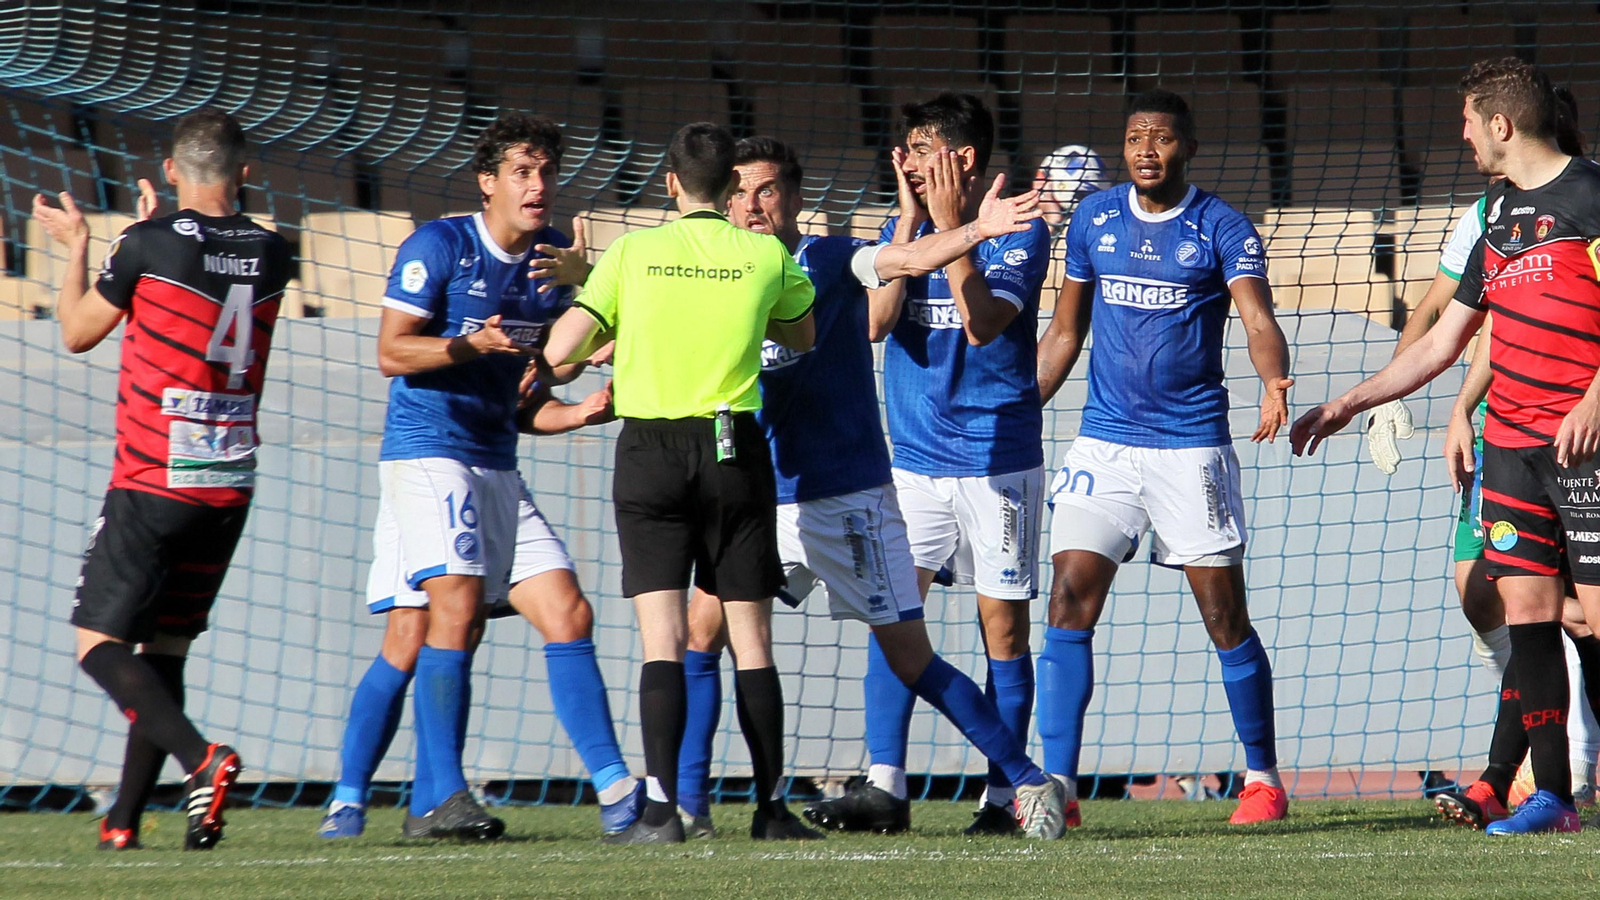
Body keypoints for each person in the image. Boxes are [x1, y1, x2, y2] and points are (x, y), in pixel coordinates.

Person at [676, 136, 1068, 840]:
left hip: (845, 496)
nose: (752, 205)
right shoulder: (716, 275)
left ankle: (1027, 782)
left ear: (796, 199)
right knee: (700, 633)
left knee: (909, 655)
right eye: (739, 192)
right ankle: (684, 806)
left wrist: (968, 225)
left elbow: (901, 274)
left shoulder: (826, 259)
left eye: (767, 190)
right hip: (758, 491)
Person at [1292, 58, 1600, 836]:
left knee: (1595, 620)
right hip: (1513, 447)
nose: (1461, 133)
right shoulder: (1494, 217)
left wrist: (1595, 400)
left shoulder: (1592, 195)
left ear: (1501, 124)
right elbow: (1442, 343)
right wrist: (1349, 401)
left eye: (1468, 119)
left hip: (1586, 447)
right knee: (1526, 610)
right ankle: (1553, 800)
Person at [319, 112, 642, 842]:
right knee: (446, 618)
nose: (538, 186)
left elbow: (529, 402)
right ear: (488, 181)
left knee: (564, 612)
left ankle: (618, 793)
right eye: (523, 173)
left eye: (547, 172)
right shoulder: (441, 246)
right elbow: (392, 355)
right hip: (427, 455)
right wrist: (470, 345)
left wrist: (582, 411)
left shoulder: (554, 260)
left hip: (496, 461)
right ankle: (430, 797)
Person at [540, 122, 818, 844]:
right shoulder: (764, 254)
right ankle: (769, 809)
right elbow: (804, 335)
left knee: (660, 641)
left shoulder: (632, 253)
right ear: (731, 188)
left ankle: (660, 811)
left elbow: (561, 351)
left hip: (650, 449)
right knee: (752, 641)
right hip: (733, 447)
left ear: (669, 183)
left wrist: (619, 332)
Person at [32, 108, 292, 850]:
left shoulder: (145, 243)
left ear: (173, 171)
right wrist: (151, 239)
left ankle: (202, 760)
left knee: (98, 644)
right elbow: (204, 261)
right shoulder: (277, 253)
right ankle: (124, 821)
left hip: (155, 477)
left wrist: (83, 247)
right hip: (230, 482)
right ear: (244, 172)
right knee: (167, 651)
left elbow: (79, 331)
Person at [1034, 89, 1294, 826]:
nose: (1147, 148)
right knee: (1067, 598)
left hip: (1190, 449)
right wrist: (1021, 409)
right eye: (1135, 136)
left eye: (1163, 138)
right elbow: (1062, 331)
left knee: (1223, 617)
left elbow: (1257, 317)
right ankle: (1058, 789)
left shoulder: (1222, 227)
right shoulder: (1094, 219)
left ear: (1189, 147)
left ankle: (1263, 779)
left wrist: (1273, 379)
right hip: (1105, 444)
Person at [848, 91, 1053, 836]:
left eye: (921, 148)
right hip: (913, 465)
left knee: (1003, 633)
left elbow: (983, 322)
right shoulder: (892, 229)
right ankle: (884, 786)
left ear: (962, 158)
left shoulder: (1021, 228)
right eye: (904, 148)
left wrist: (951, 234)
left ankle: (1005, 797)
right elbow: (872, 325)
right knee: (893, 615)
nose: (905, 160)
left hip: (998, 460)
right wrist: (911, 228)